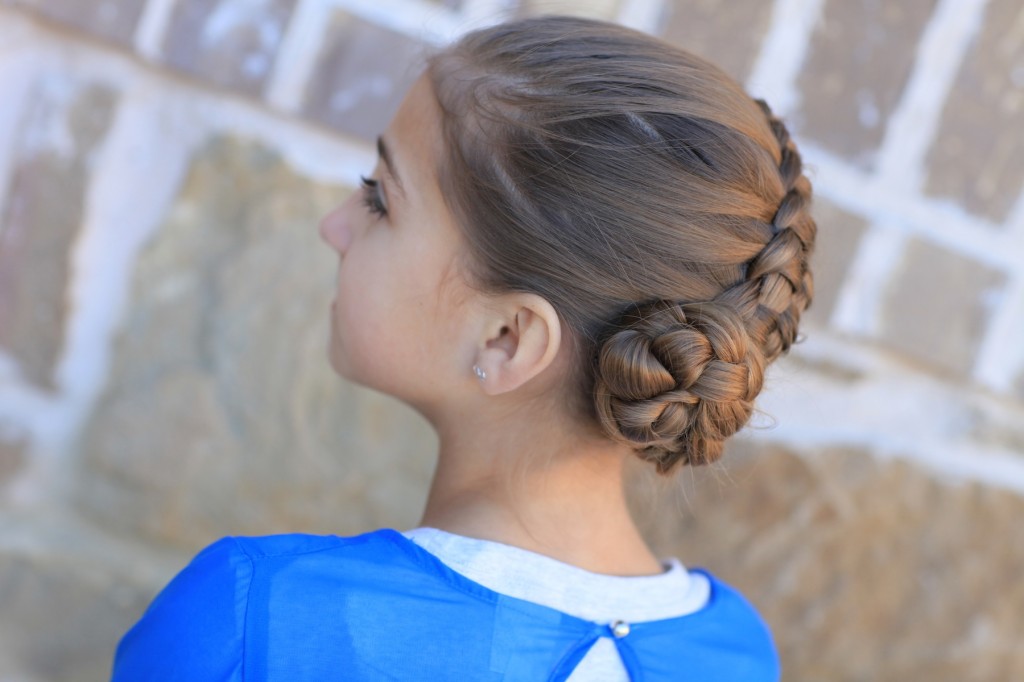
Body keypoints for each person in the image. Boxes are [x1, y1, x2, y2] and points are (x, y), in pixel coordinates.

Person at [111, 14, 815, 682]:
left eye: (380, 197)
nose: (335, 226)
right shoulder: (735, 654)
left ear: (507, 338)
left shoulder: (258, 616)